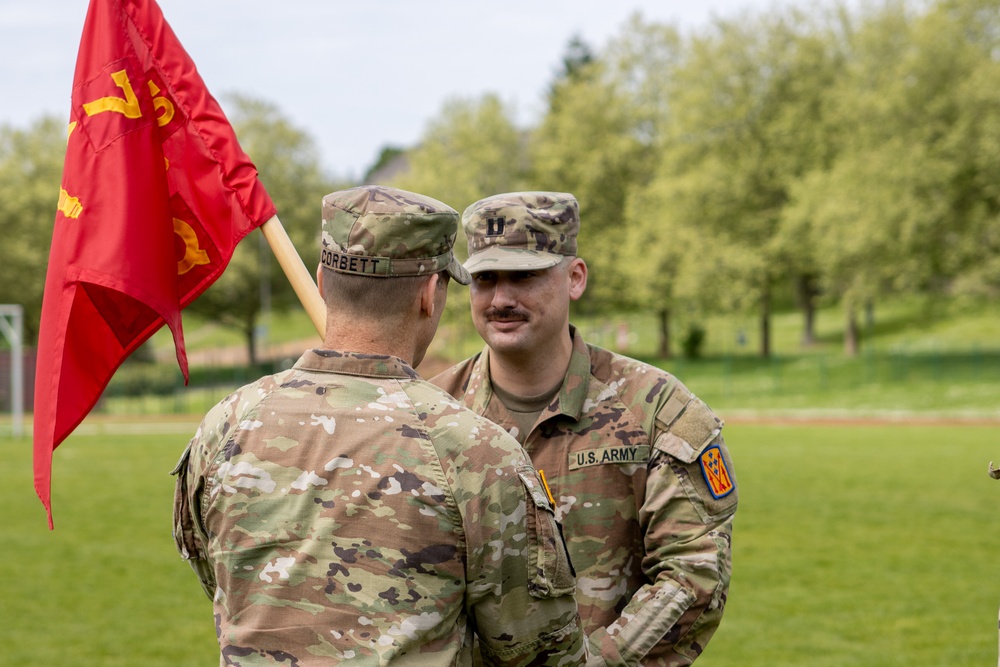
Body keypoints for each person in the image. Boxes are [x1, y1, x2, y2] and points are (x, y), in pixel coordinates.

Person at [172, 185, 586, 666]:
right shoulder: (474, 451)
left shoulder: (225, 425)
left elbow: (216, 576)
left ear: (323, 281)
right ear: (430, 294)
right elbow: (541, 651)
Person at [431, 191, 738, 666]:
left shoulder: (657, 410)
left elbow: (693, 571)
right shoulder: (431, 415)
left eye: (524, 276)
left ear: (574, 278)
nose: (501, 299)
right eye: (484, 279)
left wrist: (594, 664)